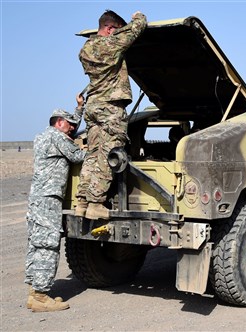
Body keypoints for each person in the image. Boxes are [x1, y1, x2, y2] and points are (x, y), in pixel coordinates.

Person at [76, 10, 147, 220]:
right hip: (110, 108)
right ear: (109, 29)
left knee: (93, 154)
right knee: (109, 154)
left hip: (93, 105)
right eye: (115, 31)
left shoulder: (86, 48)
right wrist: (139, 16)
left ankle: (82, 201)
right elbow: (136, 29)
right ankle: (96, 204)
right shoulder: (110, 44)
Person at [25, 96, 86, 312]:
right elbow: (77, 155)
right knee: (47, 245)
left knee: (36, 244)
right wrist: (98, 151)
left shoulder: (44, 136)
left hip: (38, 198)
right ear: (59, 122)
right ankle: (41, 297)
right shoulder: (57, 137)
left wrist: (79, 108)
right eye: (69, 125)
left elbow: (73, 129)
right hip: (49, 199)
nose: (72, 130)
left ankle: (35, 293)